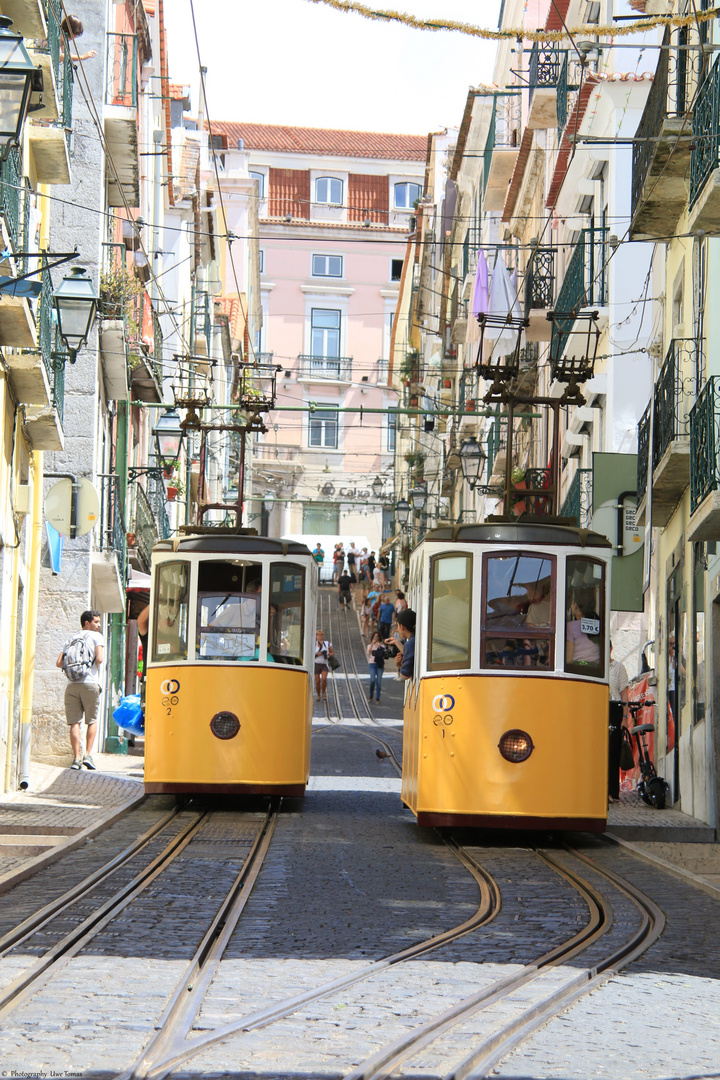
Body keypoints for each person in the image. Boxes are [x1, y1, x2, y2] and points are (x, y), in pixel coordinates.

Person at [56, 610, 105, 770]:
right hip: (90, 682)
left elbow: (59, 663)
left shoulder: (71, 638)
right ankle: (88, 755)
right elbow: (99, 658)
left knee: (74, 723)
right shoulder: (97, 637)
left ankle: (76, 759)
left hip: (72, 685)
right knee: (92, 720)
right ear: (87, 623)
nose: (98, 625)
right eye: (96, 622)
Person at [608, 641, 629, 803]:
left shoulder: (618, 667)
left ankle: (612, 791)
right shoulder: (589, 665)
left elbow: (624, 695)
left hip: (615, 709)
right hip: (597, 708)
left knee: (613, 750)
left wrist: (625, 717)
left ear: (611, 648)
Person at [565, 589, 601, 664]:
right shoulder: (598, 623)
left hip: (578, 669)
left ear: (575, 605)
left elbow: (568, 659)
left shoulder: (570, 627)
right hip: (596, 669)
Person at [391, 608, 416, 680]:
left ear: (402, 627)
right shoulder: (416, 639)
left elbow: (405, 675)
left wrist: (399, 665)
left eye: (397, 626)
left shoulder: (409, 644)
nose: (397, 630)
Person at [314, 630, 334, 700]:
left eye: (321, 635)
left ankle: (323, 693)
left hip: (324, 664)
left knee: (324, 679)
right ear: (316, 636)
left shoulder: (327, 644)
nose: (320, 636)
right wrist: (317, 654)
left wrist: (328, 655)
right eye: (318, 635)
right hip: (316, 664)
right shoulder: (313, 644)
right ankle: (318, 695)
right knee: (317, 681)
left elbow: (332, 652)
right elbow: (310, 655)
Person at [366, 630, 385, 703]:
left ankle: (377, 698)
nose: (376, 638)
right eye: (374, 637)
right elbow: (368, 652)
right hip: (372, 664)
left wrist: (380, 646)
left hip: (379, 665)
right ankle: (371, 695)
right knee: (372, 680)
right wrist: (372, 644)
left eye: (377, 637)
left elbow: (384, 654)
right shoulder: (369, 645)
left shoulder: (382, 646)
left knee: (379, 682)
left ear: (379, 637)